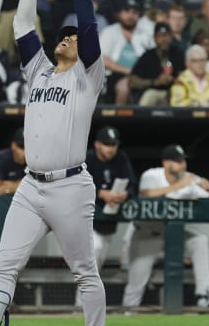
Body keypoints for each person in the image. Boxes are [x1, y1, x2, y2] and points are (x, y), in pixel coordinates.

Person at [0, 0, 106, 326]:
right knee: (3, 265)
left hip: (70, 186)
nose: (68, 38)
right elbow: (20, 23)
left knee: (84, 270)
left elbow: (87, 23)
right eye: (63, 36)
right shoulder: (39, 70)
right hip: (31, 186)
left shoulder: (88, 76)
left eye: (72, 37)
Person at [123, 144, 209, 308]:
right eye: (178, 161)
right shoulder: (153, 175)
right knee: (136, 284)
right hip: (146, 233)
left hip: (172, 233)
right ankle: (128, 315)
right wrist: (181, 185)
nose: (182, 164)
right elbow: (146, 194)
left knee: (199, 240)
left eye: (183, 160)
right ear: (166, 163)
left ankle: (204, 294)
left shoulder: (190, 179)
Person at [74, 126, 135, 307]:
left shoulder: (121, 158)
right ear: (97, 144)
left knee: (95, 267)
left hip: (108, 224)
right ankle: (81, 308)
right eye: (107, 144)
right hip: (86, 223)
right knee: (92, 263)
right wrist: (101, 193)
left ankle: (82, 307)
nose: (111, 148)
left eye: (113, 144)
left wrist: (125, 194)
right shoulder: (87, 159)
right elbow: (75, 186)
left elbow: (132, 184)